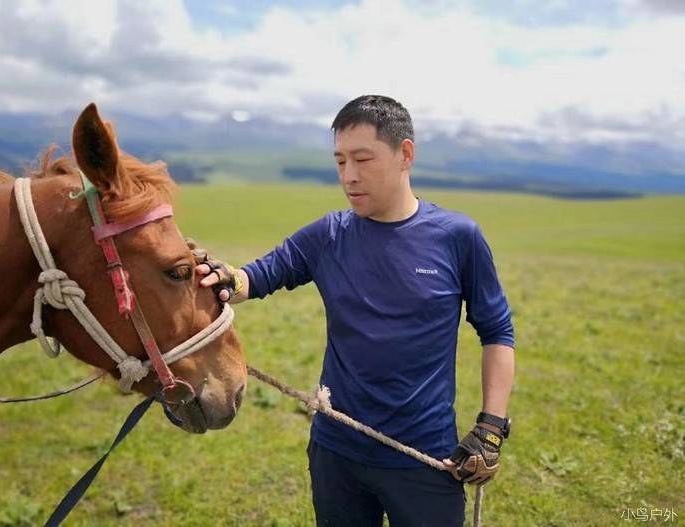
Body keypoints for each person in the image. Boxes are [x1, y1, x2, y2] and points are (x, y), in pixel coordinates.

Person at [197, 95, 515, 527]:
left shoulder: (457, 237)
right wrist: (214, 276)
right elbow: (254, 278)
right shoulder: (329, 235)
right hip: (336, 452)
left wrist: (491, 427)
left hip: (423, 456)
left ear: (405, 154)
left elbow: (497, 331)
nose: (349, 175)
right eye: (340, 161)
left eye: (363, 159)